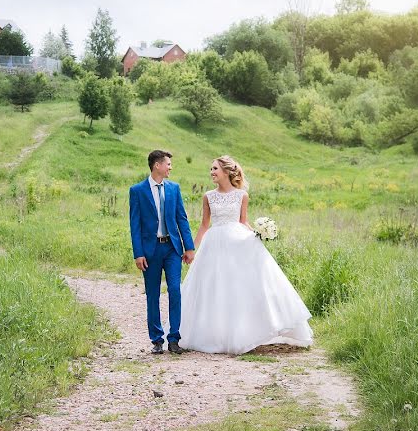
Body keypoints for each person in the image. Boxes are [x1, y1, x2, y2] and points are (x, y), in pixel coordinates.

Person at [178, 155, 313, 355]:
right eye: (211, 169)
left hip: (238, 243)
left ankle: (246, 332)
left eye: (215, 169)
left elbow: (243, 221)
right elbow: (205, 225)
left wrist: (259, 234)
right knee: (214, 287)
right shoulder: (208, 196)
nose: (212, 172)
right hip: (214, 244)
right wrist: (191, 249)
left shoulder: (242, 195)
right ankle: (215, 334)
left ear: (226, 171)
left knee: (239, 287)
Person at [129, 150, 195, 355]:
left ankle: (174, 338)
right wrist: (138, 253)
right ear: (157, 165)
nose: (170, 167)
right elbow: (135, 224)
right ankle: (156, 339)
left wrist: (189, 247)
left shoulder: (174, 188)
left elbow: (181, 218)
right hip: (150, 251)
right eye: (168, 164)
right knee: (153, 294)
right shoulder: (137, 190)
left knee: (175, 290)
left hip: (172, 248)